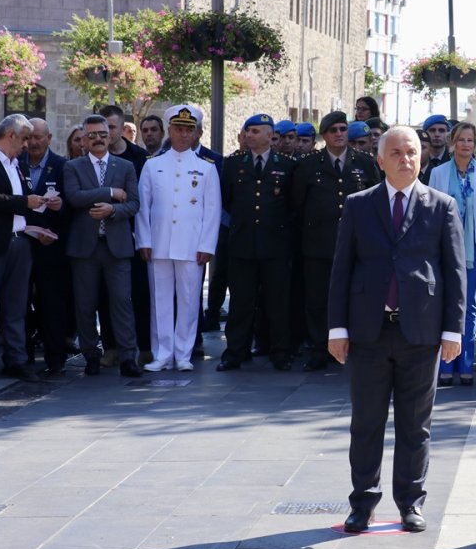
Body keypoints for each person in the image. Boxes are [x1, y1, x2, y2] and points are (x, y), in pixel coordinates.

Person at [328, 126, 466, 533]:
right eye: (397, 153)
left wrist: (452, 332)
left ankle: (411, 501)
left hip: (420, 332)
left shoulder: (441, 206)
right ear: (380, 159)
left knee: (415, 425)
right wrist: (337, 327)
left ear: (421, 158)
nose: (405, 159)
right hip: (369, 331)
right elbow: (341, 270)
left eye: (412, 152)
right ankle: (363, 502)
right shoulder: (358, 205)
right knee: (366, 422)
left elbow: (455, 272)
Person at [292, 111, 380, 371]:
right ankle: (320, 348)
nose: (340, 134)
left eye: (343, 129)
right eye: (334, 130)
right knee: (318, 299)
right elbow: (297, 204)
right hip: (318, 244)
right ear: (324, 135)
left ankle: (354, 346)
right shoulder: (309, 165)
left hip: (356, 245)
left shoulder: (364, 162)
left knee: (355, 298)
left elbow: (376, 200)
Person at [135, 106, 221, 372]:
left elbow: (212, 210)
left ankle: (183, 353)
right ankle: (162, 353)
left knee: (188, 299)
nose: (183, 134)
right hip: (159, 242)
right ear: (169, 131)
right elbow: (143, 206)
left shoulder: (206, 168)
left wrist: (207, 246)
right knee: (159, 300)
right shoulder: (153, 165)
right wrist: (144, 241)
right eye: (178, 129)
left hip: (191, 244)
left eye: (188, 129)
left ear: (195, 133)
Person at [63, 114, 143, 378]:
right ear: (84, 140)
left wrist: (113, 210)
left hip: (117, 246)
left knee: (122, 301)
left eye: (102, 134)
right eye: (92, 135)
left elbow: (133, 204)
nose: (98, 139)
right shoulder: (73, 167)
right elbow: (74, 198)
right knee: (85, 305)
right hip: (85, 247)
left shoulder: (126, 166)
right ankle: (91, 355)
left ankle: (128, 356)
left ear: (111, 136)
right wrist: (110, 193)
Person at [217, 114, 296, 372]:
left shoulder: (286, 165)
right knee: (240, 302)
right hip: (242, 243)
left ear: (269, 136)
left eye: (254, 131)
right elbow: (228, 201)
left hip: (275, 244)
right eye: (247, 131)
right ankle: (235, 353)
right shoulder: (233, 164)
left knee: (277, 302)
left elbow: (292, 204)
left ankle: (280, 352)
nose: (248, 135)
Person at [426, 122, 476, 386]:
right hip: (445, 246)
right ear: (452, 143)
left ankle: (466, 361)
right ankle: (446, 363)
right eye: (461, 140)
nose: (466, 144)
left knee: (469, 303)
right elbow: (431, 214)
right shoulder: (439, 173)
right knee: (447, 300)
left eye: (471, 140)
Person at [0, 115, 47, 383]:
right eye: (24, 138)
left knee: (16, 304)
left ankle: (15, 359)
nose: (27, 144)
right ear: (11, 135)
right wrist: (24, 203)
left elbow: (21, 199)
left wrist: (40, 203)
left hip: (20, 241)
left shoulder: (16, 165)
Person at [99, 104, 151, 365]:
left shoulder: (140, 158)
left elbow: (146, 198)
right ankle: (110, 347)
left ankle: (144, 346)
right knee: (106, 293)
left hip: (134, 232)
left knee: (139, 292)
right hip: (103, 235)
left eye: (112, 127)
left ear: (121, 128)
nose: (107, 133)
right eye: (103, 127)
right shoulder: (94, 157)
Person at [20, 118, 70, 376]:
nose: (34, 143)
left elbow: (72, 206)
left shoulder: (62, 166)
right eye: (29, 138)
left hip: (52, 248)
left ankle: (55, 357)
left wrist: (60, 211)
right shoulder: (16, 164)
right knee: (20, 303)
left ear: (49, 138)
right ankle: (23, 357)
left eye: (39, 137)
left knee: (52, 304)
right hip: (22, 245)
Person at [420, 114, 451, 184]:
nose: (437, 134)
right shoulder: (418, 159)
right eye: (432, 130)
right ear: (425, 134)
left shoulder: (453, 159)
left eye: (441, 130)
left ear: (448, 134)